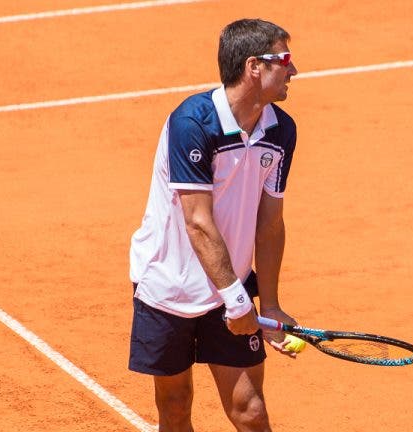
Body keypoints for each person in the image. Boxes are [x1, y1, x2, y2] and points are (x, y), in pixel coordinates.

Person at [128, 18, 299, 432]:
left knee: (251, 412)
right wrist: (238, 302)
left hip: (231, 286)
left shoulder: (281, 131)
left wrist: (269, 303)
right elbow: (198, 222)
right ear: (254, 66)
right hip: (168, 287)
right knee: (175, 406)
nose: (295, 71)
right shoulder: (192, 123)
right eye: (286, 59)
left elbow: (270, 222)